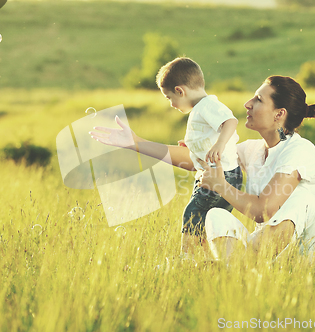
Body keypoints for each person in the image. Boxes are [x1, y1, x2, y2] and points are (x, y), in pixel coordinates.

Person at [90, 75, 315, 264]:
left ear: (280, 114)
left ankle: (235, 266)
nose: (247, 104)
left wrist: (221, 185)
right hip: (266, 260)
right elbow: (201, 161)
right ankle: (234, 268)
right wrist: (137, 144)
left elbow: (264, 211)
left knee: (301, 200)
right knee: (216, 215)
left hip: (304, 265)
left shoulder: (300, 151)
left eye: (258, 100)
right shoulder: (253, 151)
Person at [96, 57, 243, 260]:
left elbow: (230, 122)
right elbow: (207, 141)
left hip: (220, 176)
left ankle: (189, 260)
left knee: (193, 215)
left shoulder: (208, 105)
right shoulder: (201, 109)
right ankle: (208, 262)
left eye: (169, 97)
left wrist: (219, 145)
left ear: (180, 91)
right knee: (208, 222)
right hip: (221, 175)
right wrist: (193, 148)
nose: (171, 104)